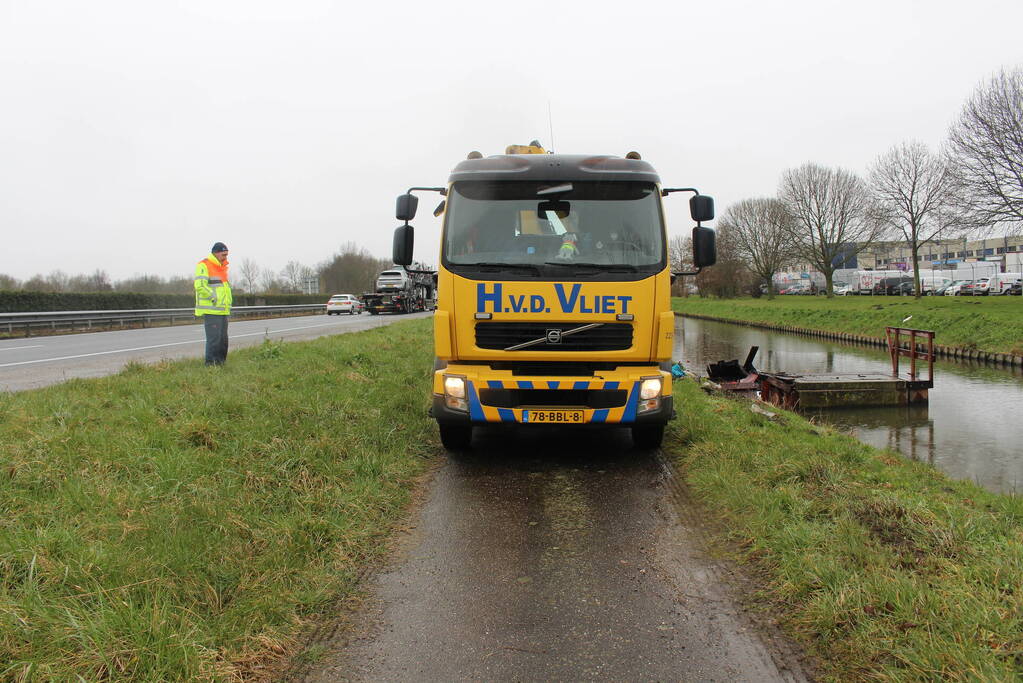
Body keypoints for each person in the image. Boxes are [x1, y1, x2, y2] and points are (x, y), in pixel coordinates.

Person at [194, 242, 233, 365]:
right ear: (216, 253)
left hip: (222, 310)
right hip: (212, 310)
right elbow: (200, 286)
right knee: (214, 340)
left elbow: (224, 290)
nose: (226, 257)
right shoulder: (204, 265)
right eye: (223, 255)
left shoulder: (221, 268)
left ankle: (221, 364)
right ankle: (210, 365)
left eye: (227, 255)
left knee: (223, 340)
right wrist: (213, 298)